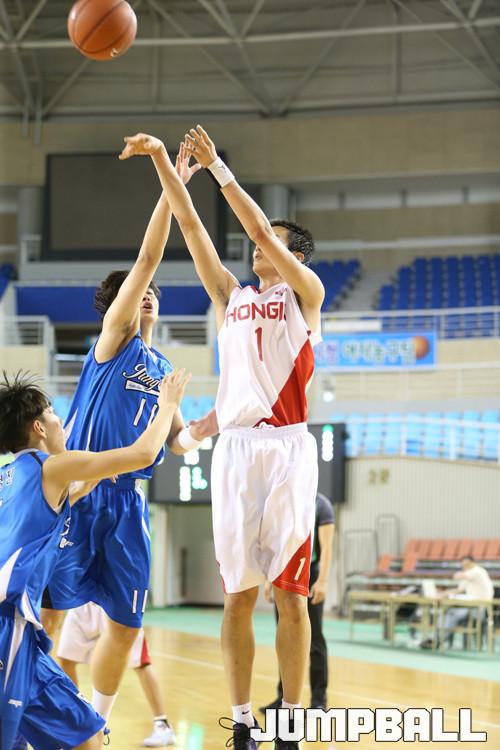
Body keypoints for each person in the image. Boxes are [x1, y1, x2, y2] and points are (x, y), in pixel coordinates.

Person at [119, 129, 325, 750]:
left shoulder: (306, 296)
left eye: (273, 242)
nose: (259, 245)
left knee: (290, 598)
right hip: (235, 451)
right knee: (237, 596)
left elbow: (258, 228)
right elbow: (189, 225)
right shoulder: (231, 297)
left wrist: (218, 169)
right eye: (260, 243)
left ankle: (292, 720)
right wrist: (167, 163)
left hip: (288, 450)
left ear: (295, 255)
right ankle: (241, 721)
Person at [40, 148, 216, 726]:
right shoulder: (112, 343)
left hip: (128, 504)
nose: (146, 293)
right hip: (82, 491)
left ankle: (97, 721)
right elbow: (147, 256)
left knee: (127, 624)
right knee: (50, 615)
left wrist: (209, 425)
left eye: (152, 291)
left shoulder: (164, 371)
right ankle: (27, 708)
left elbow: (178, 445)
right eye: (135, 290)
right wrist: (173, 182)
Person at [0, 368, 189, 750]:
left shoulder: (8, 477)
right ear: (38, 427)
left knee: (88, 735)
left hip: (26, 638)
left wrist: (91, 480)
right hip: (9, 626)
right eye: (53, 413)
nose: (60, 421)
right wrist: (168, 404)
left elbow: (63, 499)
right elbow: (141, 455)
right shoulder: (51, 467)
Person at [57, 602, 175, 747]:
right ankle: (76, 720)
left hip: (115, 602)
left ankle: (162, 725)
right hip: (83, 601)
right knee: (65, 658)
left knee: (141, 663)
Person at [261, 492, 335, 712]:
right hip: (284, 572)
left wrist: (323, 581)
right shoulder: (286, 500)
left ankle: (319, 700)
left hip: (310, 574)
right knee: (285, 637)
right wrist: (269, 578)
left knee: (315, 638)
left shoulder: (322, 505)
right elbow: (276, 543)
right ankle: (283, 697)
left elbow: (327, 547)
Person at [420, 555, 494, 649]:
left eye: (466, 564)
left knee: (451, 613)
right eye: (463, 565)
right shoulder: (469, 574)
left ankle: (437, 640)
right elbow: (459, 590)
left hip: (479, 609)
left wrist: (461, 572)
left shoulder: (478, 571)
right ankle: (435, 638)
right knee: (446, 612)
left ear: (472, 562)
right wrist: (443, 593)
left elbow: (457, 576)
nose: (464, 566)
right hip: (470, 606)